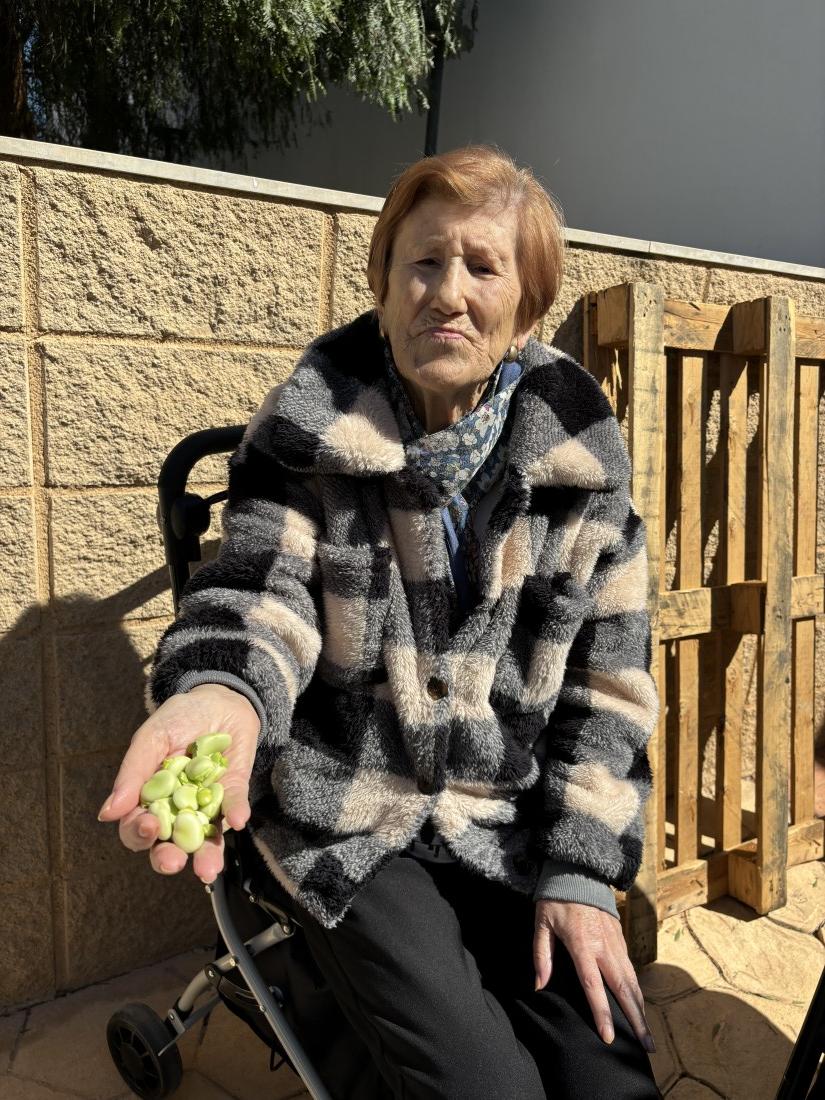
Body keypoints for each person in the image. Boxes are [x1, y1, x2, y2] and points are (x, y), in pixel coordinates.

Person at [98, 144, 661, 1099]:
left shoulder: (583, 476)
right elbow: (260, 593)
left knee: (607, 1081)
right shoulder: (309, 442)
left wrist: (579, 869)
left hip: (503, 813)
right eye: (423, 262)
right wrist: (226, 691)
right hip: (347, 809)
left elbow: (608, 688)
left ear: (526, 313)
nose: (448, 292)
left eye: (482, 267)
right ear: (384, 284)